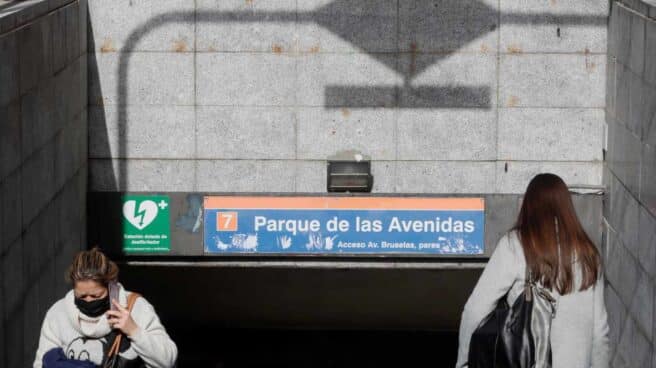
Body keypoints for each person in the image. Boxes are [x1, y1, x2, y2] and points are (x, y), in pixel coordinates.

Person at [456, 173, 609, 367]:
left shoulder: (517, 244)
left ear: (529, 206)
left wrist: (464, 361)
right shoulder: (589, 255)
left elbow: (476, 309)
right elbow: (600, 333)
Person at [33, 248, 178, 368]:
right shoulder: (58, 313)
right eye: (82, 296)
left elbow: (167, 361)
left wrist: (134, 331)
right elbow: (42, 363)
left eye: (96, 296)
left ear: (111, 287)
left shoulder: (136, 308)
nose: (89, 300)